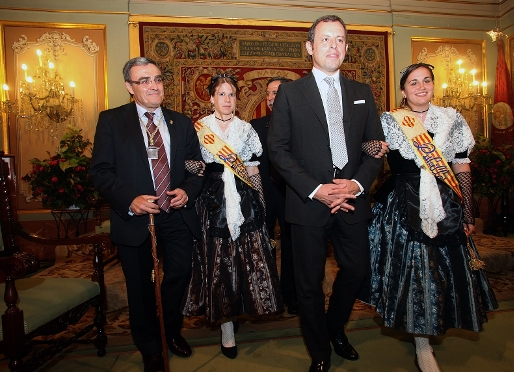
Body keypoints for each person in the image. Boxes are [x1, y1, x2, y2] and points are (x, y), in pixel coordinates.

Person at [268, 15, 386, 372]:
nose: (333, 46)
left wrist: (356, 184)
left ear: (346, 48)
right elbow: (278, 150)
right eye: (325, 40)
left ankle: (334, 327)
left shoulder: (362, 93)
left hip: (352, 200)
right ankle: (319, 351)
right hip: (308, 205)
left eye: (340, 40)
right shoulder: (290, 92)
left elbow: (375, 148)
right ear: (310, 47)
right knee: (308, 284)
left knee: (357, 269)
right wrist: (316, 189)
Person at [363, 63, 498, 372]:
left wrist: (467, 212)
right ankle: (422, 345)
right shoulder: (390, 121)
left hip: (444, 205)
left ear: (434, 86)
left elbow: (461, 167)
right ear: (403, 91)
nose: (420, 86)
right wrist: (368, 143)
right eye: (413, 82)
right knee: (413, 273)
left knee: (442, 272)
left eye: (426, 81)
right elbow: (368, 147)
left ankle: (435, 325)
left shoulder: (451, 119)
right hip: (402, 207)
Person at [90, 57, 204, 372]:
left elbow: (196, 167)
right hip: (136, 219)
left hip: (176, 214)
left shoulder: (180, 122)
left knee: (179, 275)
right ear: (129, 87)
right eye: (144, 81)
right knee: (140, 288)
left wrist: (187, 190)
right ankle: (150, 346)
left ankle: (169, 330)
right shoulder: (112, 121)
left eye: (156, 79)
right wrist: (130, 199)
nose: (153, 85)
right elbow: (99, 171)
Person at [182, 73, 283, 359]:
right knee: (219, 263)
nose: (227, 99)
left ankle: (241, 309)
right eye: (221, 94)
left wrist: (260, 204)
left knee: (245, 260)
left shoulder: (246, 129)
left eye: (231, 95)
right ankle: (226, 325)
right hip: (212, 202)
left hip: (244, 201)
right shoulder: (200, 129)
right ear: (211, 97)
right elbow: (193, 167)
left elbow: (253, 171)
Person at [250, 76, 299, 315]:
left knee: (292, 247)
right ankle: (266, 295)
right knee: (263, 244)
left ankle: (292, 296)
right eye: (268, 93)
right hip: (264, 194)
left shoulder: (301, 126)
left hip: (293, 194)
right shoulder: (255, 126)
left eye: (277, 92)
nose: (271, 98)